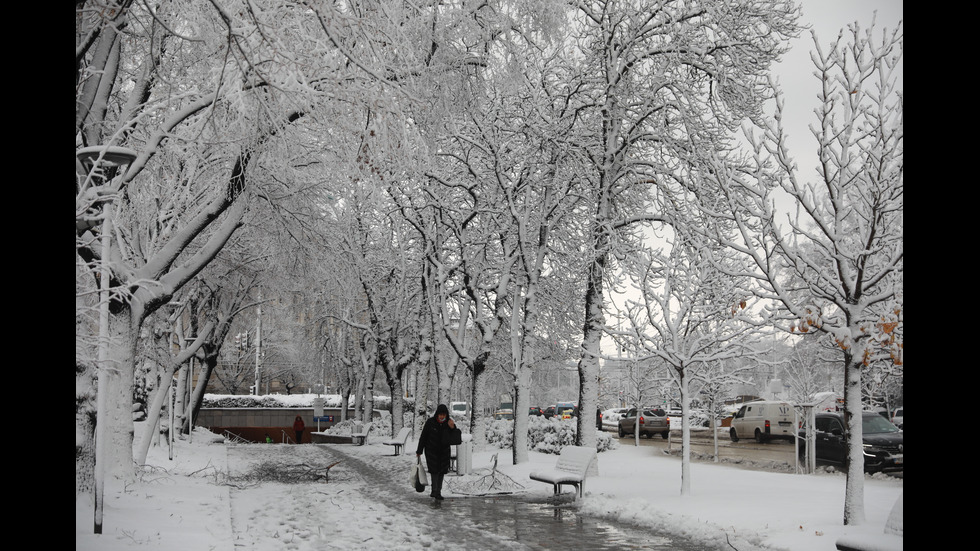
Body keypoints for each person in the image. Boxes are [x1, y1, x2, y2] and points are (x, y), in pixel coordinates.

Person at [416, 404, 461, 500]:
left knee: (442, 472)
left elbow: (455, 439)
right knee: (434, 471)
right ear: (437, 414)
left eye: (444, 415)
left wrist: (453, 427)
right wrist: (419, 450)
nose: (442, 417)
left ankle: (438, 491)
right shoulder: (430, 422)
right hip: (431, 451)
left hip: (444, 451)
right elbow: (423, 437)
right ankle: (435, 491)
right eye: (440, 415)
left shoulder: (449, 423)